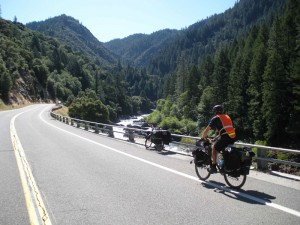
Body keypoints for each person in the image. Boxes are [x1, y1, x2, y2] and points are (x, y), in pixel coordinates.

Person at [200, 105, 236, 173]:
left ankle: (213, 167)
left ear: (215, 112)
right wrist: (216, 138)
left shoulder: (216, 118)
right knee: (223, 150)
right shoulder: (227, 117)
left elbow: (207, 130)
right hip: (233, 137)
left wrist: (202, 137)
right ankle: (223, 165)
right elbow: (225, 130)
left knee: (214, 148)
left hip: (225, 138)